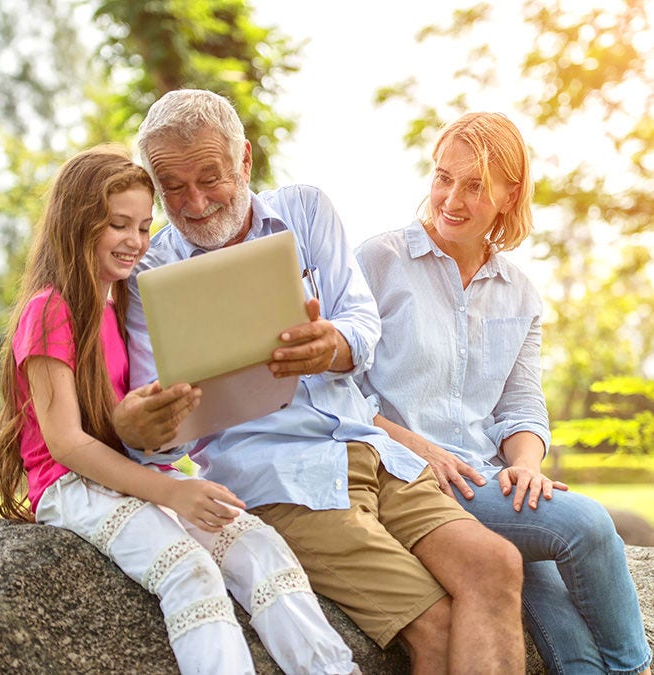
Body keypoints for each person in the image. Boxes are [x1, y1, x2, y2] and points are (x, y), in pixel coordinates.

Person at [121, 88, 527, 674]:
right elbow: (163, 434)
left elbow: (363, 325)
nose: (195, 202)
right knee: (436, 623)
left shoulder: (306, 211)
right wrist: (145, 429)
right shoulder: (149, 277)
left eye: (210, 177)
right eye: (173, 186)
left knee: (496, 565)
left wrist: (333, 345)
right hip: (283, 482)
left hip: (373, 451)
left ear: (245, 161)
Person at [0, 145, 358, 675]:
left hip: (134, 473)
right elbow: (67, 443)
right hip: (72, 485)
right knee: (189, 571)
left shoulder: (121, 307)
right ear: (77, 224)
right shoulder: (50, 310)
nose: (137, 242)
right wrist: (172, 491)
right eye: (118, 225)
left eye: (143, 226)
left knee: (259, 546)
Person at [355, 111, 652, 675]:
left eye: (473, 186)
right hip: (414, 479)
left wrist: (527, 465)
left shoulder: (520, 292)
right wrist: (422, 448)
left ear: (509, 194)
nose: (451, 199)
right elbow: (341, 391)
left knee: (568, 638)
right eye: (443, 178)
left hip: (489, 480)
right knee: (588, 525)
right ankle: (636, 666)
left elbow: (521, 404)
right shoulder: (380, 261)